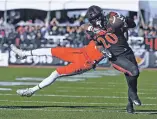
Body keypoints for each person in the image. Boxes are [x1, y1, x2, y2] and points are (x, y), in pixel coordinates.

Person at [84, 5, 141, 114]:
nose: (96, 20)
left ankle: (130, 105)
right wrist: (103, 51)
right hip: (116, 57)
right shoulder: (92, 30)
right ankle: (133, 96)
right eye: (93, 19)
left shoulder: (112, 18)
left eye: (97, 17)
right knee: (134, 71)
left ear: (101, 15)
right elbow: (98, 44)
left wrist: (125, 20)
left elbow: (132, 24)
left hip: (127, 51)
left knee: (132, 81)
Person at [11, 38, 109, 97]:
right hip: (80, 52)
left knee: (56, 73)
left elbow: (101, 47)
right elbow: (87, 28)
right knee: (51, 50)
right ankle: (24, 54)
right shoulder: (104, 30)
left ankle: (31, 90)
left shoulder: (113, 42)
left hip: (85, 62)